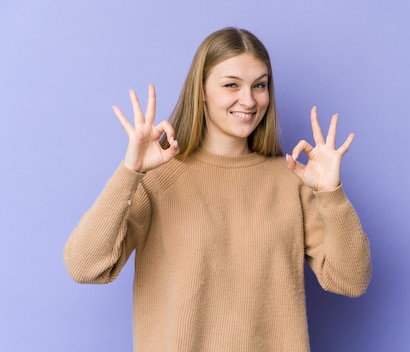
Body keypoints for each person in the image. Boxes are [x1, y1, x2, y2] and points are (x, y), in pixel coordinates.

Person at [64, 27, 371, 352]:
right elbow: (85, 266)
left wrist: (330, 193)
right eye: (231, 85)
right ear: (201, 91)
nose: (249, 100)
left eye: (260, 85)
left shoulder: (291, 181)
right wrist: (130, 172)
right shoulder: (157, 180)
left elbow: (350, 280)